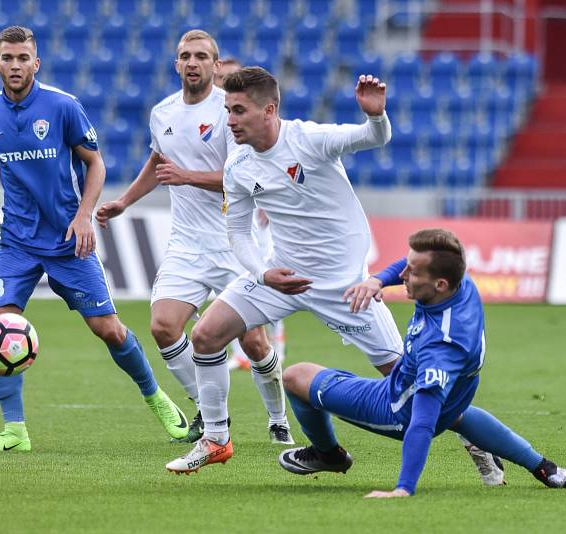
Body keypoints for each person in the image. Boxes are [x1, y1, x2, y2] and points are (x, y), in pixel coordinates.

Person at [165, 67, 406, 473]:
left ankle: (475, 442)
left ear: (269, 110)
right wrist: (262, 274)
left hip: (343, 286)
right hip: (280, 276)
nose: (231, 120)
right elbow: (238, 234)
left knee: (408, 384)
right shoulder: (238, 164)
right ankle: (216, 439)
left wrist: (376, 116)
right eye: (227, 110)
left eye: (239, 110)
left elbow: (372, 138)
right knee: (206, 335)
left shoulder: (308, 140)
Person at [0, 26, 189, 452]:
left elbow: (95, 163)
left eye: (23, 58)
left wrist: (84, 215)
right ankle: (15, 431)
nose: (16, 66)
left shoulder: (62, 106)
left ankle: (158, 399)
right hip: (16, 241)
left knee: (107, 328)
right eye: (8, 59)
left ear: (37, 63)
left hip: (69, 240)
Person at [277, 228, 566, 497]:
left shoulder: (440, 346)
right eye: (406, 267)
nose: (402, 276)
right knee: (456, 415)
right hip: (454, 397)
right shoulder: (462, 285)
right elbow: (411, 266)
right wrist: (377, 280)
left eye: (412, 273)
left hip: (396, 409)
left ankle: (328, 455)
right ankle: (546, 469)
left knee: (295, 376)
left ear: (439, 284)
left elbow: (421, 423)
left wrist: (404, 488)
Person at [96, 31, 293, 444]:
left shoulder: (229, 114)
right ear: (176, 64)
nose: (192, 63)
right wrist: (125, 202)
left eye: (202, 56)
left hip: (233, 243)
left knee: (254, 341)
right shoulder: (163, 112)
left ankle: (278, 418)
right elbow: (158, 161)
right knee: (164, 326)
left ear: (216, 66)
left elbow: (242, 179)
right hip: (186, 244)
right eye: (185, 56)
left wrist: (186, 177)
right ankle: (207, 411)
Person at [214, 57, 287, 372]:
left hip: (255, 215)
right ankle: (241, 351)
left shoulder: (254, 122)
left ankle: (277, 343)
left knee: (269, 277)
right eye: (222, 79)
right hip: (227, 213)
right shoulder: (221, 121)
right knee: (235, 283)